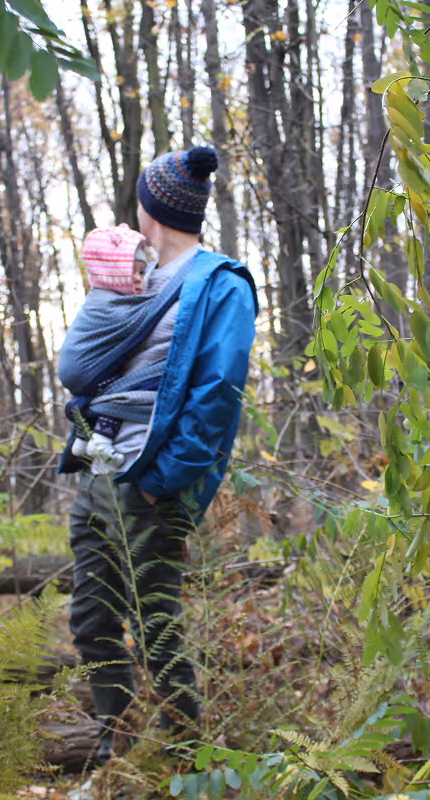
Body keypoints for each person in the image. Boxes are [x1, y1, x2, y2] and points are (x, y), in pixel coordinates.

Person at [58, 145, 258, 766]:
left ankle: (183, 759)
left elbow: (216, 399)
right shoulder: (128, 276)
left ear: (150, 206)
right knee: (91, 621)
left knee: (156, 628)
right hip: (96, 471)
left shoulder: (220, 286)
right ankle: (115, 748)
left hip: (150, 484)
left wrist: (158, 483)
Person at [68, 223, 150, 471]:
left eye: (142, 272)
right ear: (112, 272)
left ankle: (82, 438)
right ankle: (101, 439)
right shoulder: (110, 302)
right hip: (90, 369)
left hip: (82, 371)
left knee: (95, 393)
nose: (139, 279)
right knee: (119, 391)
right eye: (133, 272)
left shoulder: (99, 297)